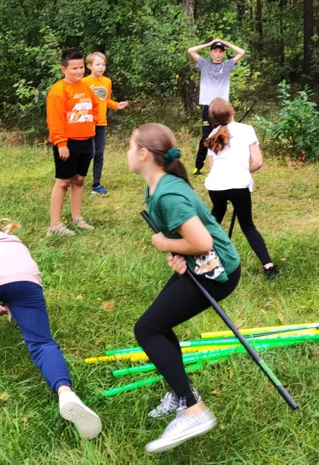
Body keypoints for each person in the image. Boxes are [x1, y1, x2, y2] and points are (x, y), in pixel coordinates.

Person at [127, 123, 242, 453]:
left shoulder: (168, 193)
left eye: (130, 146)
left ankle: (194, 410)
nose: (127, 152)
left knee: (148, 329)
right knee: (158, 324)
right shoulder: (157, 188)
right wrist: (180, 252)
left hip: (216, 272)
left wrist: (166, 245)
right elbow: (191, 240)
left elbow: (203, 241)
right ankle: (181, 394)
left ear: (144, 154)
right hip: (202, 264)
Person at [0, 218, 102, 439]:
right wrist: (14, 307)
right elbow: (16, 277)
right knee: (42, 343)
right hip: (26, 282)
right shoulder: (16, 243)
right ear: (1, 231)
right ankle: (66, 394)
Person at [203, 97, 278, 280]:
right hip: (238, 184)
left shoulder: (212, 135)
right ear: (231, 111)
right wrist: (244, 171)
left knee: (214, 220)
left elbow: (212, 167)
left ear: (213, 117)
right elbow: (258, 162)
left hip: (216, 185)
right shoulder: (246, 130)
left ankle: (201, 259)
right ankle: (269, 267)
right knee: (248, 226)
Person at [45, 48, 99, 235]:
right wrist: (61, 143)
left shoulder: (86, 87)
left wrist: (93, 129)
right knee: (62, 182)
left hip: (86, 140)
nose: (79, 71)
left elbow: (93, 109)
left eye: (81, 67)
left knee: (79, 179)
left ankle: (77, 218)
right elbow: (55, 120)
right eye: (74, 68)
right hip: (68, 143)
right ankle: (55, 225)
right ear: (64, 69)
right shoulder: (58, 90)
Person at [186, 39, 245, 175]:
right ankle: (198, 166)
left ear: (224, 54)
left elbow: (241, 52)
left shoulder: (227, 65)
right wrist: (209, 43)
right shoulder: (204, 64)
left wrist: (225, 42)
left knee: (224, 135)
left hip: (222, 107)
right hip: (208, 105)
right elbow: (190, 50)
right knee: (206, 137)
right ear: (211, 53)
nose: (217, 54)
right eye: (215, 51)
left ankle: (224, 165)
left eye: (220, 52)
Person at [82, 51, 129, 195]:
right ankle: (76, 179)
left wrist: (116, 105)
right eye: (98, 64)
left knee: (99, 153)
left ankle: (96, 184)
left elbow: (106, 100)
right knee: (88, 153)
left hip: (101, 123)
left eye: (103, 65)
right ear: (89, 66)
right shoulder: (84, 82)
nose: (101, 67)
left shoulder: (107, 81)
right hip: (87, 123)